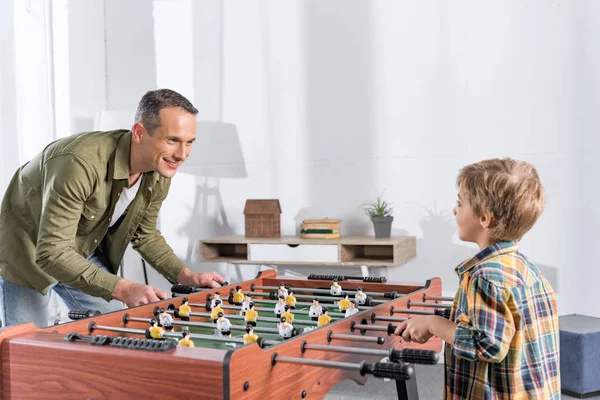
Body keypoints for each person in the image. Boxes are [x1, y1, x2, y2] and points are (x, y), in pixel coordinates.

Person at [0, 89, 225, 328]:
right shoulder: (79, 164)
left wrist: (186, 276)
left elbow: (145, 234)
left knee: (116, 323)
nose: (182, 154)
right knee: (25, 349)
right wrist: (125, 287)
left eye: (189, 142)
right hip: (26, 252)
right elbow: (52, 253)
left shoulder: (160, 169)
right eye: (172, 140)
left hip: (79, 248)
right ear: (140, 132)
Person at [394, 158, 560, 399]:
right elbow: (498, 324)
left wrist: (433, 324)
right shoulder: (527, 269)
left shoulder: (484, 277)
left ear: (485, 218)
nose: (454, 209)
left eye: (460, 203)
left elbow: (487, 345)